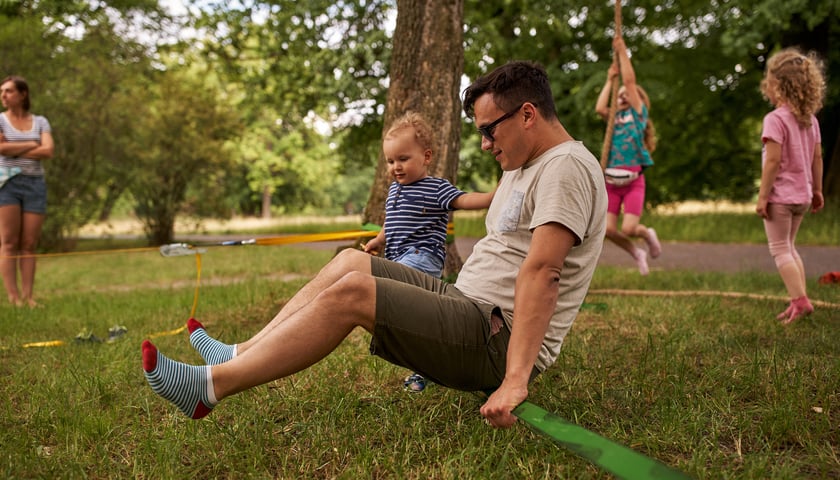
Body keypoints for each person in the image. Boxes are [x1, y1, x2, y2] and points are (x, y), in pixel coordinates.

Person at [142, 60, 607, 429]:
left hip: (495, 336)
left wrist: (514, 380)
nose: (484, 144)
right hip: (467, 304)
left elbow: (544, 272)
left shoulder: (565, 167)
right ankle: (241, 352)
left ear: (527, 114)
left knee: (353, 295)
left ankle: (210, 387)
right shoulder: (524, 166)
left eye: (489, 129)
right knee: (349, 263)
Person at [363, 111, 495, 392]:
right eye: (390, 161)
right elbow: (392, 221)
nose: (396, 167)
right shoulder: (394, 191)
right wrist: (378, 239)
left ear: (426, 156)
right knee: (411, 319)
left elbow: (462, 199)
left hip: (423, 257)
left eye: (403, 159)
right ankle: (422, 368)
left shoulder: (435, 188)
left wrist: (493, 197)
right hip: (397, 257)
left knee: (395, 298)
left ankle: (421, 368)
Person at [756, 48, 826, 324]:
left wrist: (763, 197)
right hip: (803, 196)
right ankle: (799, 299)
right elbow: (817, 157)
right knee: (790, 246)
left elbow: (772, 161)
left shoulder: (775, 119)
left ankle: (800, 301)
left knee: (780, 249)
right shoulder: (810, 120)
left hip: (781, 197)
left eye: (769, 84)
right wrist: (817, 190)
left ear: (778, 86)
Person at [595, 37, 661, 275]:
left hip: (633, 182)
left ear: (638, 101)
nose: (622, 96)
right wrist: (609, 81)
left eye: (626, 94)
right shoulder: (614, 119)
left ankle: (646, 234)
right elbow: (599, 108)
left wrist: (623, 52)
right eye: (619, 94)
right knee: (608, 230)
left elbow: (630, 81)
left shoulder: (637, 115)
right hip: (611, 183)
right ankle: (636, 252)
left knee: (631, 227)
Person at [0, 76, 53, 308]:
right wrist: (33, 144)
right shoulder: (0, 120)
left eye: (9, 91)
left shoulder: (40, 122)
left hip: (34, 184)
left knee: (29, 243)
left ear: (23, 94)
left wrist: (13, 150)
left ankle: (28, 297)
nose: (4, 95)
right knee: (9, 242)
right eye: (2, 92)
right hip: (7, 184)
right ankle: (13, 298)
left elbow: (48, 150)